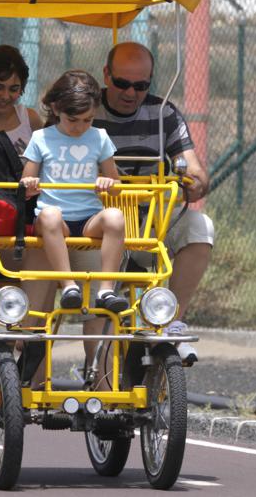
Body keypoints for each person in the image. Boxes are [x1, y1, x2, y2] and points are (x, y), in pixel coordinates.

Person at [93, 41, 214, 337]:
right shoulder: (84, 110)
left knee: (200, 227)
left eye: (141, 85)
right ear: (106, 75)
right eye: (122, 83)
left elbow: (195, 172)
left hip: (150, 225)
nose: (131, 93)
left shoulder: (164, 114)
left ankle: (167, 320)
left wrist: (193, 182)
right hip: (97, 226)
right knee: (100, 321)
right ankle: (96, 367)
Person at [20, 69, 128, 313]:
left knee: (115, 217)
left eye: (87, 120)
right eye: (73, 120)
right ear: (57, 109)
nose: (80, 127)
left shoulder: (99, 137)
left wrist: (108, 184)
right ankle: (69, 286)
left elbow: (116, 185)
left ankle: (106, 289)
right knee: (50, 215)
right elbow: (25, 183)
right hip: (56, 221)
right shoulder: (41, 138)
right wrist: (30, 185)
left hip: (89, 219)